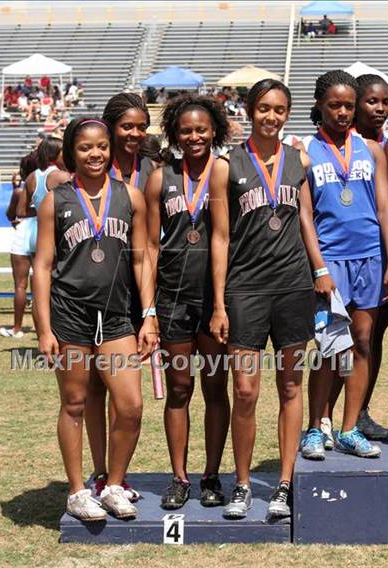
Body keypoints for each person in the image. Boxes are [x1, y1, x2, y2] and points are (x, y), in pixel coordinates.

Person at [209, 79, 328, 519]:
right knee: (244, 390)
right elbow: (220, 237)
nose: (271, 117)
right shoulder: (227, 165)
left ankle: (283, 483)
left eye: (279, 109)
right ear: (248, 110)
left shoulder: (298, 159)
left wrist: (319, 270)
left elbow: (306, 221)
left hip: (293, 286)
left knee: (291, 385)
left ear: (287, 113)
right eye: (263, 108)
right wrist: (220, 302)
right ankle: (241, 483)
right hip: (245, 289)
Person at [33, 116, 158, 520]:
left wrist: (149, 315)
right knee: (73, 402)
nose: (96, 154)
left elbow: (142, 260)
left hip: (118, 316)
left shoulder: (131, 196)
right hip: (70, 314)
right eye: (86, 147)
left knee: (131, 405)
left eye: (102, 146)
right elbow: (43, 265)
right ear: (72, 152)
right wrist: (43, 328)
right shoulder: (57, 200)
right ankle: (76, 491)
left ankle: (114, 485)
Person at [300, 70, 388, 461]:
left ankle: (349, 427)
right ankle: (314, 428)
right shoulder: (305, 151)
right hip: (331, 261)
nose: (342, 112)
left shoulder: (371, 150)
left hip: (370, 257)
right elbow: (305, 214)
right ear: (320, 106)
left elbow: (385, 207)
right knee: (327, 348)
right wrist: (319, 268)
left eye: (348, 106)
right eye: (335, 105)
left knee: (361, 343)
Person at [145, 93, 231, 510]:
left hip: (214, 299)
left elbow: (225, 237)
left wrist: (220, 304)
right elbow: (147, 247)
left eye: (201, 129)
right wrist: (149, 309)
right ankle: (179, 477)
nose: (194, 136)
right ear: (174, 134)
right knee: (180, 389)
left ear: (214, 129)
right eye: (186, 130)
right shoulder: (162, 178)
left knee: (216, 387)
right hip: (173, 300)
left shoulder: (227, 172)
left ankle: (211, 474)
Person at [83, 93, 158, 502]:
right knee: (95, 386)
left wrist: (150, 305)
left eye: (141, 126)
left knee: (126, 390)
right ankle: (98, 471)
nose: (135, 133)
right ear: (112, 126)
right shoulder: (93, 165)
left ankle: (117, 475)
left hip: (138, 289)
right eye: (127, 126)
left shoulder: (151, 168)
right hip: (95, 290)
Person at [17, 136, 69, 256]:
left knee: (39, 273)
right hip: (56, 235)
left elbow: (21, 211)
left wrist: (41, 211)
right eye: (63, 151)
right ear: (54, 153)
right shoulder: (62, 176)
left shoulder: (31, 177)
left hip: (36, 234)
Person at [0, 167, 35, 338]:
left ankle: (17, 329)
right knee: (44, 286)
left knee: (20, 285)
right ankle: (45, 330)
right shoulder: (51, 184)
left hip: (23, 234)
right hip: (43, 234)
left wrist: (15, 190)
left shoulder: (20, 191)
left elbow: (10, 214)